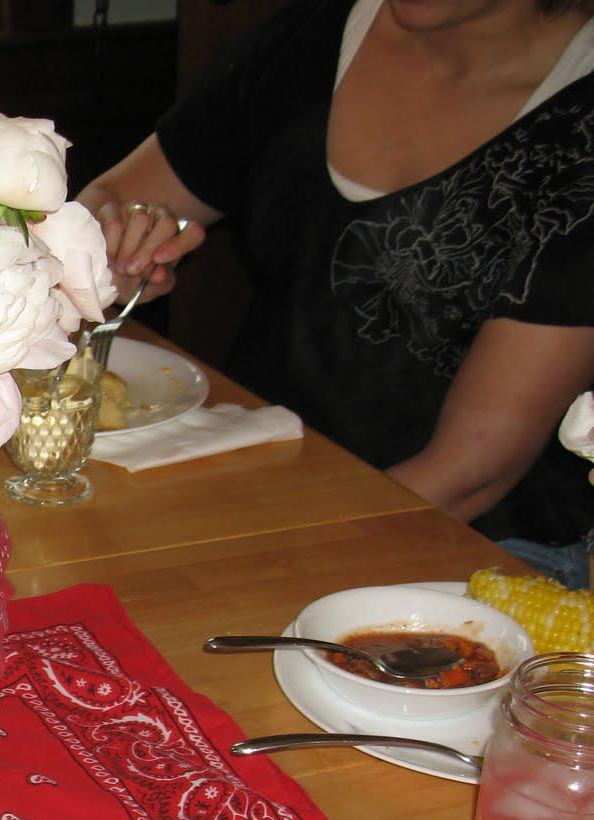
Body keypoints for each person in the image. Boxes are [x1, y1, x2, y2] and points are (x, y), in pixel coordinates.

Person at [78, 0, 594, 586]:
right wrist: (117, 251)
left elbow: (471, 472)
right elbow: (112, 196)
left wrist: (258, 556)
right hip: (250, 487)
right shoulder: (313, 36)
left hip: (473, 548)